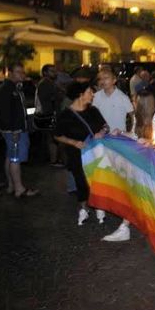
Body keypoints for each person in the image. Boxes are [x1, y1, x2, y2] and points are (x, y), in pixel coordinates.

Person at [102, 90, 155, 242]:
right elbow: (134, 136)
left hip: (153, 161)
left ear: (142, 103)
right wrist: (121, 132)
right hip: (139, 160)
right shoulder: (136, 116)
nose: (132, 103)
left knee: (145, 194)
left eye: (135, 101)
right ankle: (126, 226)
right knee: (135, 192)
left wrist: (150, 142)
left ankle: (133, 226)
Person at [54, 82, 108, 225]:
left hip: (96, 153)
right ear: (80, 94)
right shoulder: (66, 115)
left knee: (97, 179)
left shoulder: (93, 111)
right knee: (81, 181)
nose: (93, 95)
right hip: (76, 154)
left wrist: (102, 132)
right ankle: (84, 208)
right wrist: (73, 142)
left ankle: (99, 206)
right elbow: (57, 135)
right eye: (90, 92)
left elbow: (105, 126)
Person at [0, 63, 39, 198]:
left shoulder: (15, 87)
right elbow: (5, 113)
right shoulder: (7, 89)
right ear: (10, 73)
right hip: (15, 131)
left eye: (22, 72)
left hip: (14, 130)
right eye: (18, 72)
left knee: (10, 156)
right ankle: (19, 189)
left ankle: (12, 185)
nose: (22, 74)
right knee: (15, 158)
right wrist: (14, 130)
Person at [36, 64, 64, 166]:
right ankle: (53, 160)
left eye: (55, 71)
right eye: (52, 71)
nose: (55, 73)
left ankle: (54, 159)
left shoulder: (50, 83)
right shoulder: (45, 84)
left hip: (51, 114)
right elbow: (50, 99)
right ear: (45, 73)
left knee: (52, 138)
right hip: (50, 115)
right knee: (53, 138)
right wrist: (59, 94)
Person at [92, 69, 133, 133]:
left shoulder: (123, 97)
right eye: (101, 79)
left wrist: (131, 132)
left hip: (119, 136)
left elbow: (133, 116)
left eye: (106, 78)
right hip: (101, 135)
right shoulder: (95, 97)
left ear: (114, 80)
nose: (103, 81)